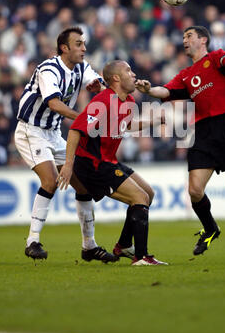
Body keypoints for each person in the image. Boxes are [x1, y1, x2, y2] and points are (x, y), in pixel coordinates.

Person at [136, 26, 225, 256]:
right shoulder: (185, 75)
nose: (184, 40)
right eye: (182, 37)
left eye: (189, 36)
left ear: (203, 40)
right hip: (202, 131)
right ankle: (210, 229)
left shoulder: (215, 57)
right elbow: (166, 92)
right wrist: (149, 89)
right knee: (194, 190)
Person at [15, 26, 118, 264]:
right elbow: (54, 104)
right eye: (79, 44)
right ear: (65, 48)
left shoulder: (81, 68)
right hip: (31, 130)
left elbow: (101, 85)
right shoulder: (48, 69)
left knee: (84, 186)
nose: (84, 48)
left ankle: (89, 246)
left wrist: (103, 88)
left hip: (53, 133)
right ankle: (32, 241)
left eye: (84, 43)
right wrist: (84, 119)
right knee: (50, 180)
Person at [57, 60, 168, 266]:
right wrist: (68, 164)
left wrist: (154, 120)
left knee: (148, 194)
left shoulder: (129, 103)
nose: (134, 74)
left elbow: (126, 125)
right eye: (128, 70)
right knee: (140, 197)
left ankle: (125, 245)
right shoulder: (103, 100)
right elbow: (75, 129)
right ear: (116, 78)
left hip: (108, 161)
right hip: (92, 165)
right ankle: (141, 257)